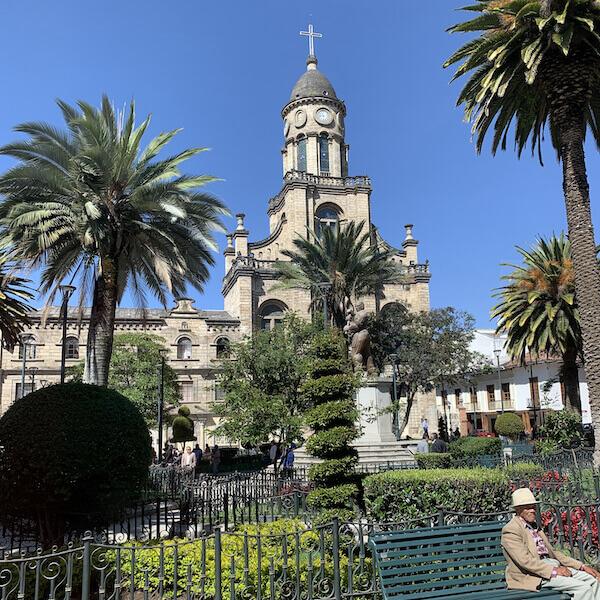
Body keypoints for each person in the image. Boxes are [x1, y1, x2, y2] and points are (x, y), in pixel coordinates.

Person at [501, 488, 600, 599]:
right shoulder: (511, 530)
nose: (533, 510)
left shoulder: (534, 526)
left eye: (533, 507)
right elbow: (525, 561)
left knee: (593, 580)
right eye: (528, 508)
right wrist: (554, 571)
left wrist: (582, 566)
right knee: (583, 588)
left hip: (552, 566)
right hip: (533, 575)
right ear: (518, 509)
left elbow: (554, 553)